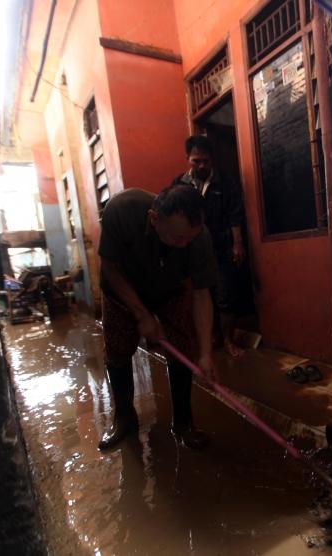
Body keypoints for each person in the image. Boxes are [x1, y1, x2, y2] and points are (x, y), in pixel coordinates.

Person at [97, 184, 218, 451]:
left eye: (190, 238)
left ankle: (183, 423)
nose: (184, 244)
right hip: (122, 288)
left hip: (169, 290)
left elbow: (201, 295)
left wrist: (206, 353)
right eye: (177, 239)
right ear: (154, 219)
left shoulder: (199, 238)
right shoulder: (121, 210)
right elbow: (109, 266)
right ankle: (125, 418)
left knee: (182, 345)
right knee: (118, 348)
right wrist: (142, 314)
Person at [172, 135, 248, 357]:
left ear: (211, 159)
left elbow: (235, 215)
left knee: (226, 296)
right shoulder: (179, 184)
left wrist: (238, 244)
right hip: (193, 249)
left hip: (223, 247)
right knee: (200, 294)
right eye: (196, 161)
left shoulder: (226, 182)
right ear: (187, 158)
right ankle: (211, 337)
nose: (202, 165)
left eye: (205, 160)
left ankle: (228, 340)